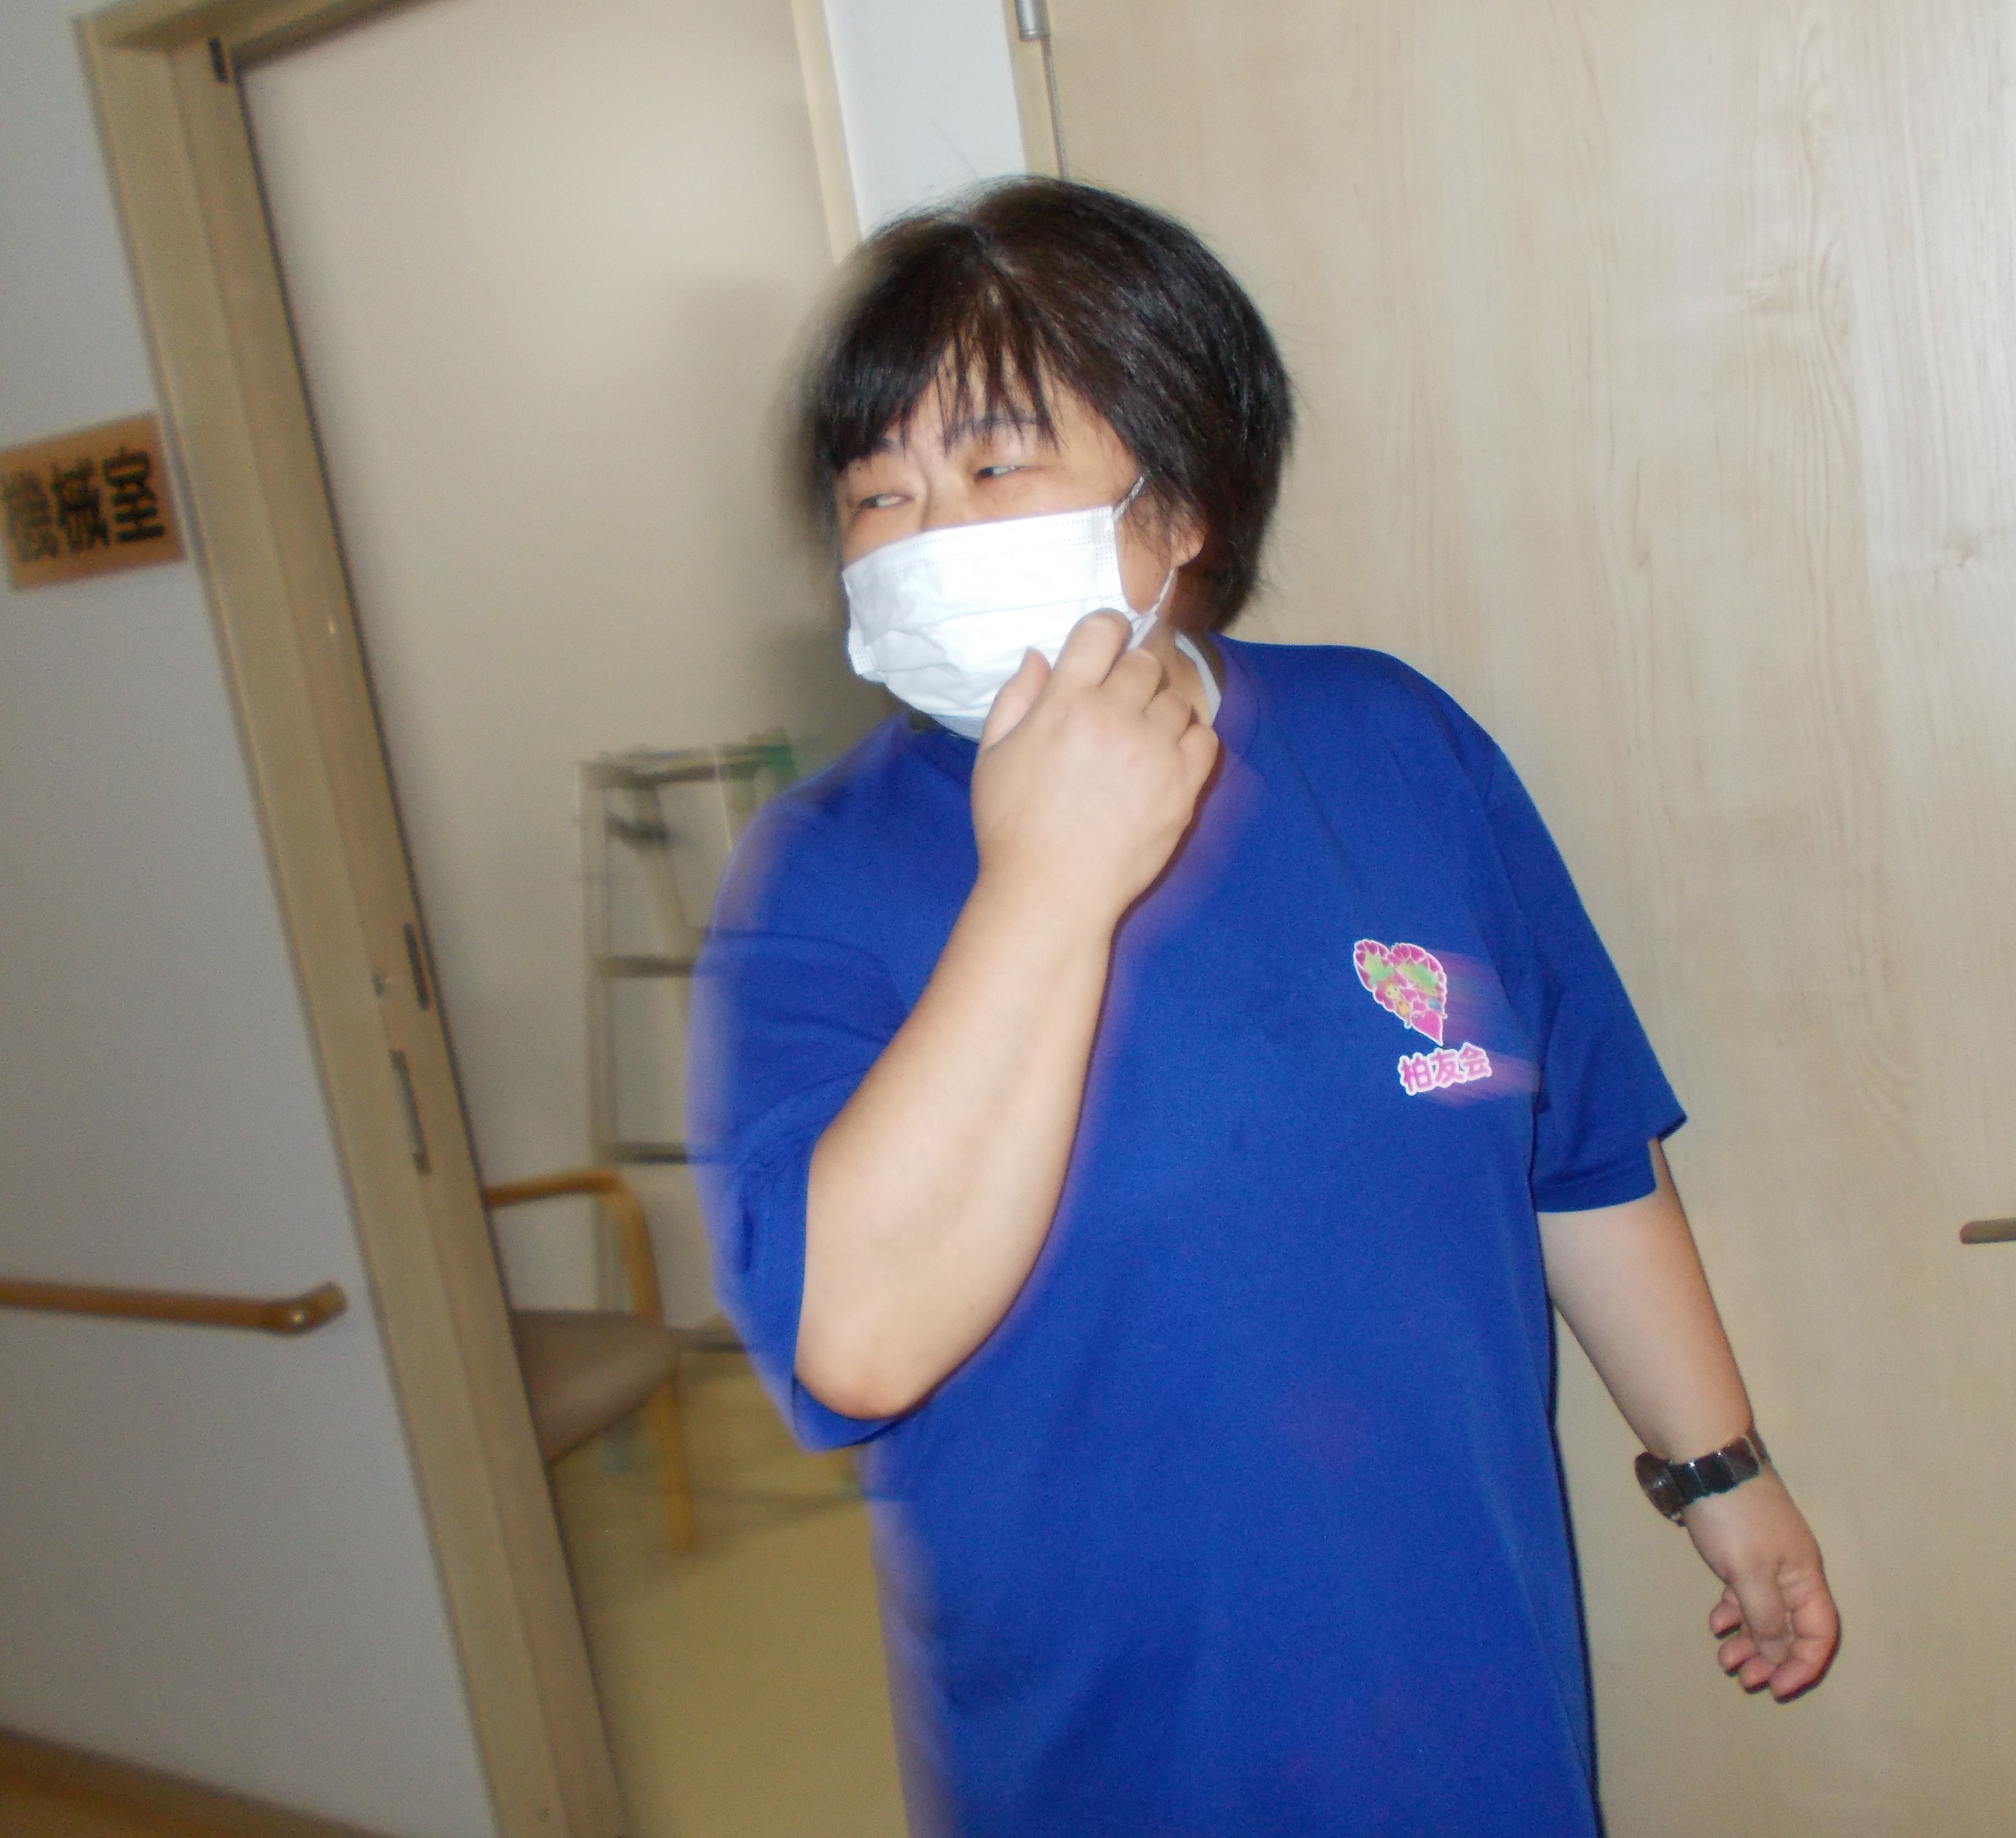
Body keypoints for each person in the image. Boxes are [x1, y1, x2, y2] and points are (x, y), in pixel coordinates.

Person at [690, 177, 1838, 1837]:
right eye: (879, 492)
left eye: (994, 468)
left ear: (1178, 507)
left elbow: (1579, 1155)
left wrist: (1720, 1473)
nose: (926, 534)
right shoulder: (816, 875)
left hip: (1472, 1699)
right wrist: (1047, 880)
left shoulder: (1394, 746)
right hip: (1109, 1753)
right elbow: (855, 1343)